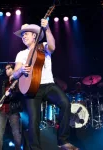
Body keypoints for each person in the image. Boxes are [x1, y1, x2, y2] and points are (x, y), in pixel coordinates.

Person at [10, 18, 79, 150]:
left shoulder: (43, 47)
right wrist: (21, 71)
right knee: (34, 120)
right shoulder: (21, 54)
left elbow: (53, 46)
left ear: (34, 35)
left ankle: (63, 141)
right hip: (30, 89)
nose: (23, 36)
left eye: (26, 34)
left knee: (65, 103)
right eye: (22, 35)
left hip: (48, 85)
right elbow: (14, 74)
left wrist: (47, 28)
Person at [0, 64, 23, 150]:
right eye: (6, 69)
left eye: (8, 68)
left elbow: (20, 95)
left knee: (16, 133)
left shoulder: (18, 80)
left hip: (13, 110)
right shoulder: (4, 82)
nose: (6, 70)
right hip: (2, 110)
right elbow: (1, 95)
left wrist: (11, 94)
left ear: (13, 68)